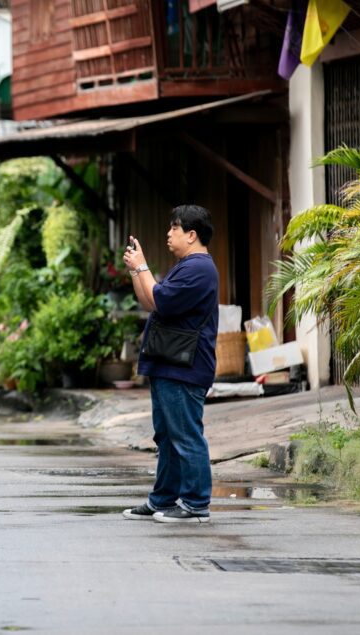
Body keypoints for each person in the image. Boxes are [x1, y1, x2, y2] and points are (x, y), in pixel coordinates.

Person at [120, 205, 219, 523]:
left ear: (192, 235)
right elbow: (150, 301)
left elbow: (160, 299)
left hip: (184, 366)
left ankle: (196, 503)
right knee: (166, 436)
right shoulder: (185, 266)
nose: (168, 233)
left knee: (185, 435)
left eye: (174, 228)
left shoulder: (199, 268)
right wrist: (136, 271)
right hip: (169, 362)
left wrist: (143, 266)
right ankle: (162, 499)